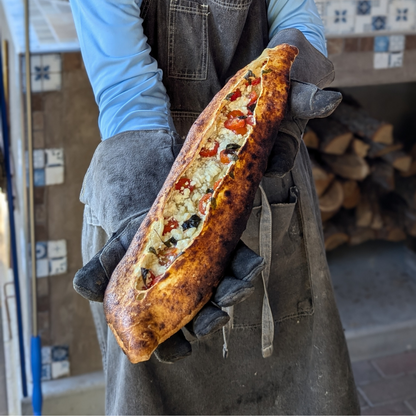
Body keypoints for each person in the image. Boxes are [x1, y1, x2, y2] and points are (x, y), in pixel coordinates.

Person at [70, 0, 360, 414]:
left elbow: (297, 14)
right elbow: (126, 90)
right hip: (140, 188)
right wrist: (159, 217)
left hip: (267, 172)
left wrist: (286, 78)